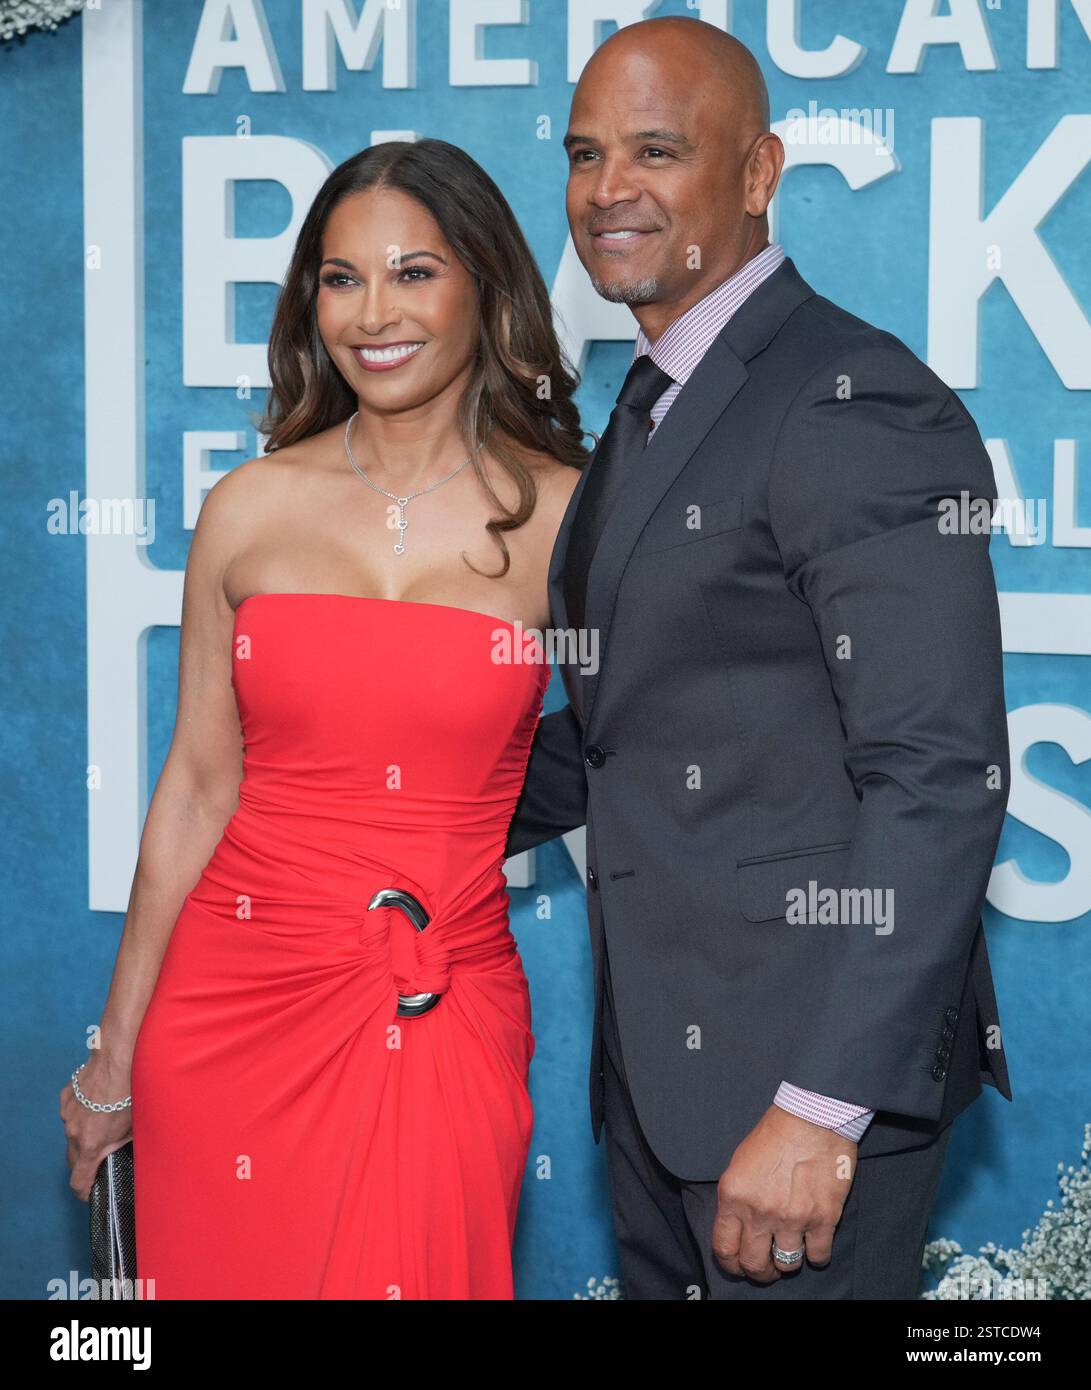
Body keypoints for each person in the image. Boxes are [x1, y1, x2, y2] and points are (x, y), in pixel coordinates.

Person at [505, 16, 1012, 1300]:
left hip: (791, 1105)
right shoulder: (657, 389)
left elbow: (938, 774)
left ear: (756, 172)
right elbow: (624, 723)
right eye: (583, 152)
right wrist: (374, 808)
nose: (606, 188)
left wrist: (819, 1108)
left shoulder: (849, 396)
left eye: (656, 150)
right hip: (659, 1091)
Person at [60, 139, 586, 1299]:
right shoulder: (249, 507)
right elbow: (197, 787)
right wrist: (115, 1053)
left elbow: (646, 751)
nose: (371, 313)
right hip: (230, 1003)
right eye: (339, 279)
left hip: (439, 1003)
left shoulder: (567, 519)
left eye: (413, 272)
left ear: (485, 288)